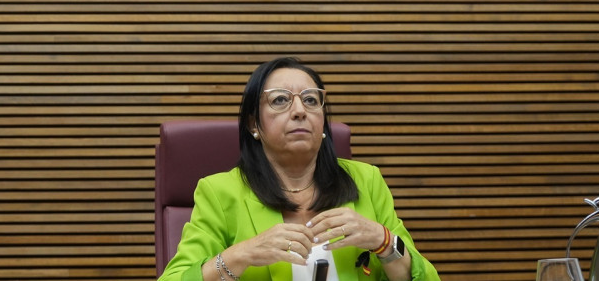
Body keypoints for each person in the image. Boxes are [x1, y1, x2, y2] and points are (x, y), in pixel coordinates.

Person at [159, 57, 439, 281]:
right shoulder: (220, 193)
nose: (299, 110)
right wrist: (241, 254)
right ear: (253, 125)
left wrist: (384, 240)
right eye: (280, 100)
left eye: (311, 99)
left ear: (323, 121)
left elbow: (423, 276)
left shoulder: (366, 180)